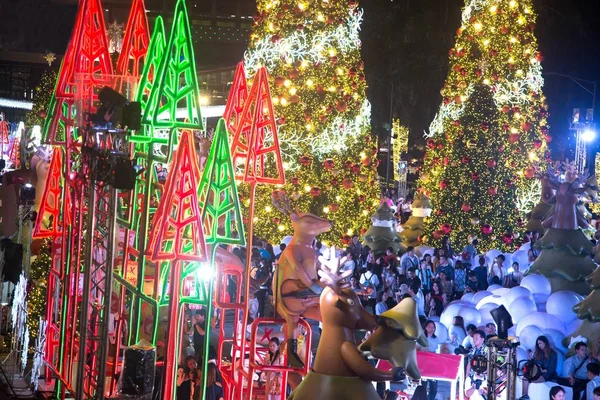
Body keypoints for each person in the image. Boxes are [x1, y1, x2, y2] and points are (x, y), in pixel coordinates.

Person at [419, 320, 439, 400]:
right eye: (430, 326)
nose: (432, 328)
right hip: (423, 362)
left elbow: (435, 350)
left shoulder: (435, 338)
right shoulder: (421, 337)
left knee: (434, 385)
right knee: (423, 384)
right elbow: (417, 349)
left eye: (433, 327)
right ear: (426, 327)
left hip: (433, 362)